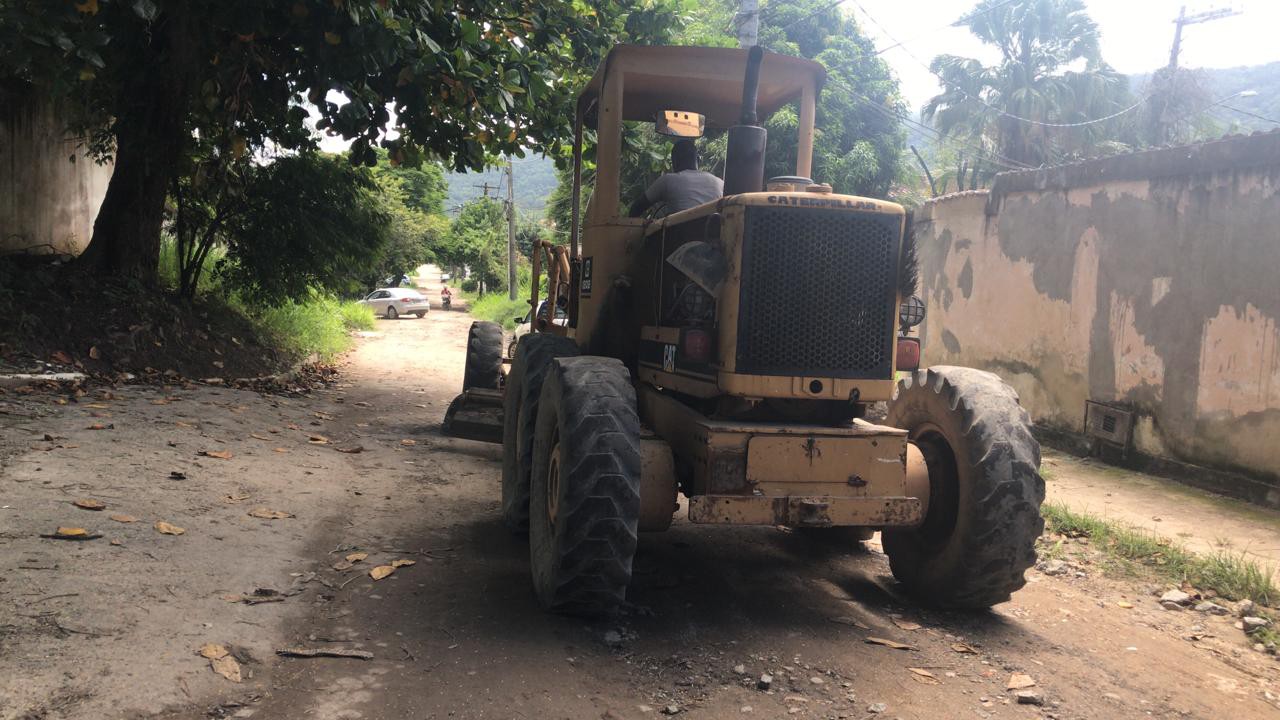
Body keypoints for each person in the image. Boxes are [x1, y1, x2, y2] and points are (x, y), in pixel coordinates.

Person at [629, 139, 723, 218]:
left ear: (674, 161)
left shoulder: (667, 180)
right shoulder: (719, 182)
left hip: (678, 237)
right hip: (713, 237)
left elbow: (637, 207)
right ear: (698, 160)